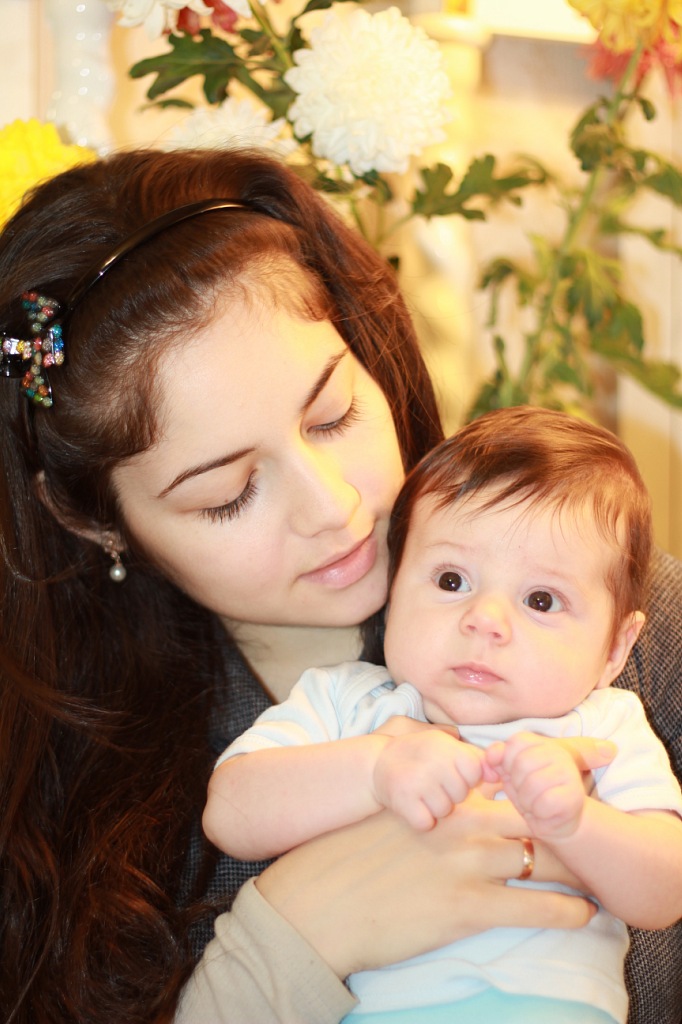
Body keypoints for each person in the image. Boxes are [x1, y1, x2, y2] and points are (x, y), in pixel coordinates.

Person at [0, 146, 678, 1024]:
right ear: (94, 521)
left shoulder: (634, 627)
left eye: (334, 415)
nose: (335, 507)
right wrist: (296, 933)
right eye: (228, 493)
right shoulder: (62, 805)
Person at [204, 406, 682, 1024]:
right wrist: (374, 769)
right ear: (394, 589)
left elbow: (666, 891)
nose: (484, 619)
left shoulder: (605, 726)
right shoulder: (348, 701)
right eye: (452, 580)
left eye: (541, 600)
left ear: (616, 648)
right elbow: (231, 812)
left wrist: (577, 824)